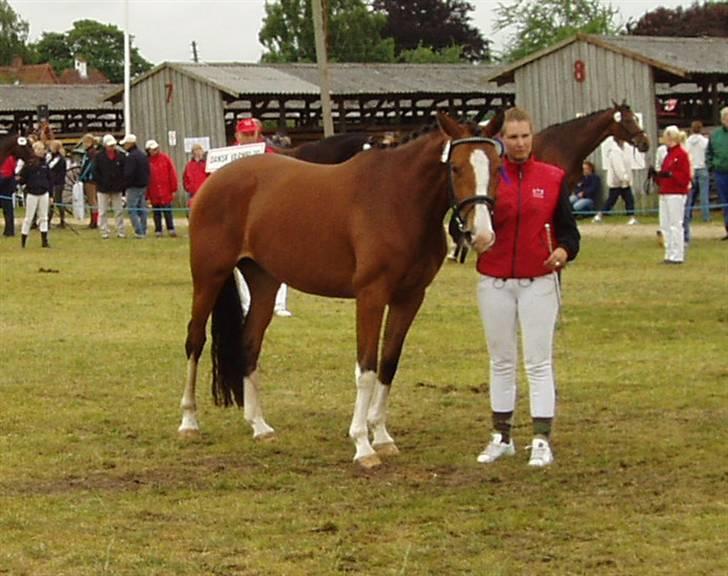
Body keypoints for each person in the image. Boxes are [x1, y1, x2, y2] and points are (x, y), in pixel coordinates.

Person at [475, 106, 580, 468]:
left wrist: (563, 252)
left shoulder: (552, 178)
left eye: (524, 136)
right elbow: (468, 221)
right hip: (495, 281)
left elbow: (569, 232)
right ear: (501, 140)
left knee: (538, 362)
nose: (519, 143)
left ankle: (540, 439)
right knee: (501, 361)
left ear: (532, 137)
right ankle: (501, 436)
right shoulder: (489, 178)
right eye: (512, 137)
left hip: (538, 281)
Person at [234, 118, 292, 317]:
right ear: (237, 136)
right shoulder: (227, 158)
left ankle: (279, 304)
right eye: (246, 134)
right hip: (241, 217)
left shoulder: (271, 156)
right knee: (242, 263)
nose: (250, 139)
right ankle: (247, 303)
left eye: (253, 134)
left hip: (270, 216)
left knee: (280, 259)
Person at [650, 125, 691, 264]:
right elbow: (665, 174)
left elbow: (685, 177)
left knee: (676, 223)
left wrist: (671, 175)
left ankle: (677, 254)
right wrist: (657, 176)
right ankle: (669, 253)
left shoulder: (681, 154)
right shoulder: (668, 154)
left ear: (670, 138)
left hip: (676, 193)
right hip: (665, 192)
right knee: (665, 224)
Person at [593, 136, 637, 224]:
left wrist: (627, 178)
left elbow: (627, 164)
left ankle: (631, 217)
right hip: (617, 181)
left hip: (624, 182)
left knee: (629, 199)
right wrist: (624, 177)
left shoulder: (626, 149)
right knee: (611, 201)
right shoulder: (614, 152)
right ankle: (599, 216)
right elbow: (618, 167)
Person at [17, 141, 52, 248]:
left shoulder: (45, 165)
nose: (42, 152)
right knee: (29, 217)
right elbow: (22, 178)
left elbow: (50, 180)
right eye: (39, 149)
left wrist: (51, 195)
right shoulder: (29, 164)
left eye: (43, 149)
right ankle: (23, 240)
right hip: (32, 193)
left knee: (44, 217)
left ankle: (44, 241)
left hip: (43, 192)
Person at [93, 134, 126, 239]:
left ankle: (121, 231)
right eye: (110, 145)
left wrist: (121, 184)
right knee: (102, 211)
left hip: (117, 188)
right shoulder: (99, 157)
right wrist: (101, 182)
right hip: (103, 188)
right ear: (105, 146)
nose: (112, 147)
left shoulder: (121, 156)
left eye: (113, 145)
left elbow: (123, 172)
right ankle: (104, 232)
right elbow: (95, 172)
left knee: (119, 211)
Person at [145, 139, 178, 237]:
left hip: (165, 190)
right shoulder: (147, 162)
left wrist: (173, 189)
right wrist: (147, 195)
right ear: (148, 151)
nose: (155, 151)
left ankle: (171, 228)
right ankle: (158, 230)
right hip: (153, 191)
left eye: (156, 149)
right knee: (156, 212)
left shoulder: (165, 159)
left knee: (168, 211)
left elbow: (172, 174)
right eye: (153, 149)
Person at [121, 134, 150, 238]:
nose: (124, 146)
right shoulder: (142, 156)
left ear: (130, 144)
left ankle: (139, 231)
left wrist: (124, 186)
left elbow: (129, 173)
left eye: (125, 144)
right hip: (143, 186)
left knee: (132, 209)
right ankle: (144, 229)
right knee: (142, 209)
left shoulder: (131, 157)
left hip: (133, 186)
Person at [707, 106, 728, 240]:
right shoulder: (715, 135)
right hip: (720, 173)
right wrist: (711, 166)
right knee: (725, 202)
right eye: (726, 118)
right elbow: (709, 152)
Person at [686, 121, 710, 225]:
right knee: (704, 194)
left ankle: (688, 215)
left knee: (691, 195)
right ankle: (706, 216)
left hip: (691, 168)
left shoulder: (687, 141)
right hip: (702, 167)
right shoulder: (705, 141)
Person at [0, 139, 23, 237]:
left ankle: (9, 230)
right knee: (8, 210)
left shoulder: (8, 158)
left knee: (8, 210)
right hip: (5, 185)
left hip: (5, 187)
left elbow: (7, 173)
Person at [79, 133, 99, 229]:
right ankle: (93, 219)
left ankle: (94, 221)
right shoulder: (89, 152)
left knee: (92, 200)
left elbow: (88, 166)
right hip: (89, 179)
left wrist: (82, 176)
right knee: (92, 201)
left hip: (90, 179)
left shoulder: (91, 153)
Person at [47, 140, 67, 228]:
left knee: (56, 201)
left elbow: (50, 167)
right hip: (55, 182)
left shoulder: (59, 158)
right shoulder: (53, 157)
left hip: (57, 182)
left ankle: (54, 221)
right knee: (57, 201)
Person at [182, 143, 208, 207]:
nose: (197, 152)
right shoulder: (189, 165)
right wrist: (189, 187)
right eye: (195, 151)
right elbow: (185, 179)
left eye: (199, 150)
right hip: (193, 193)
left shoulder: (207, 164)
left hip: (205, 192)